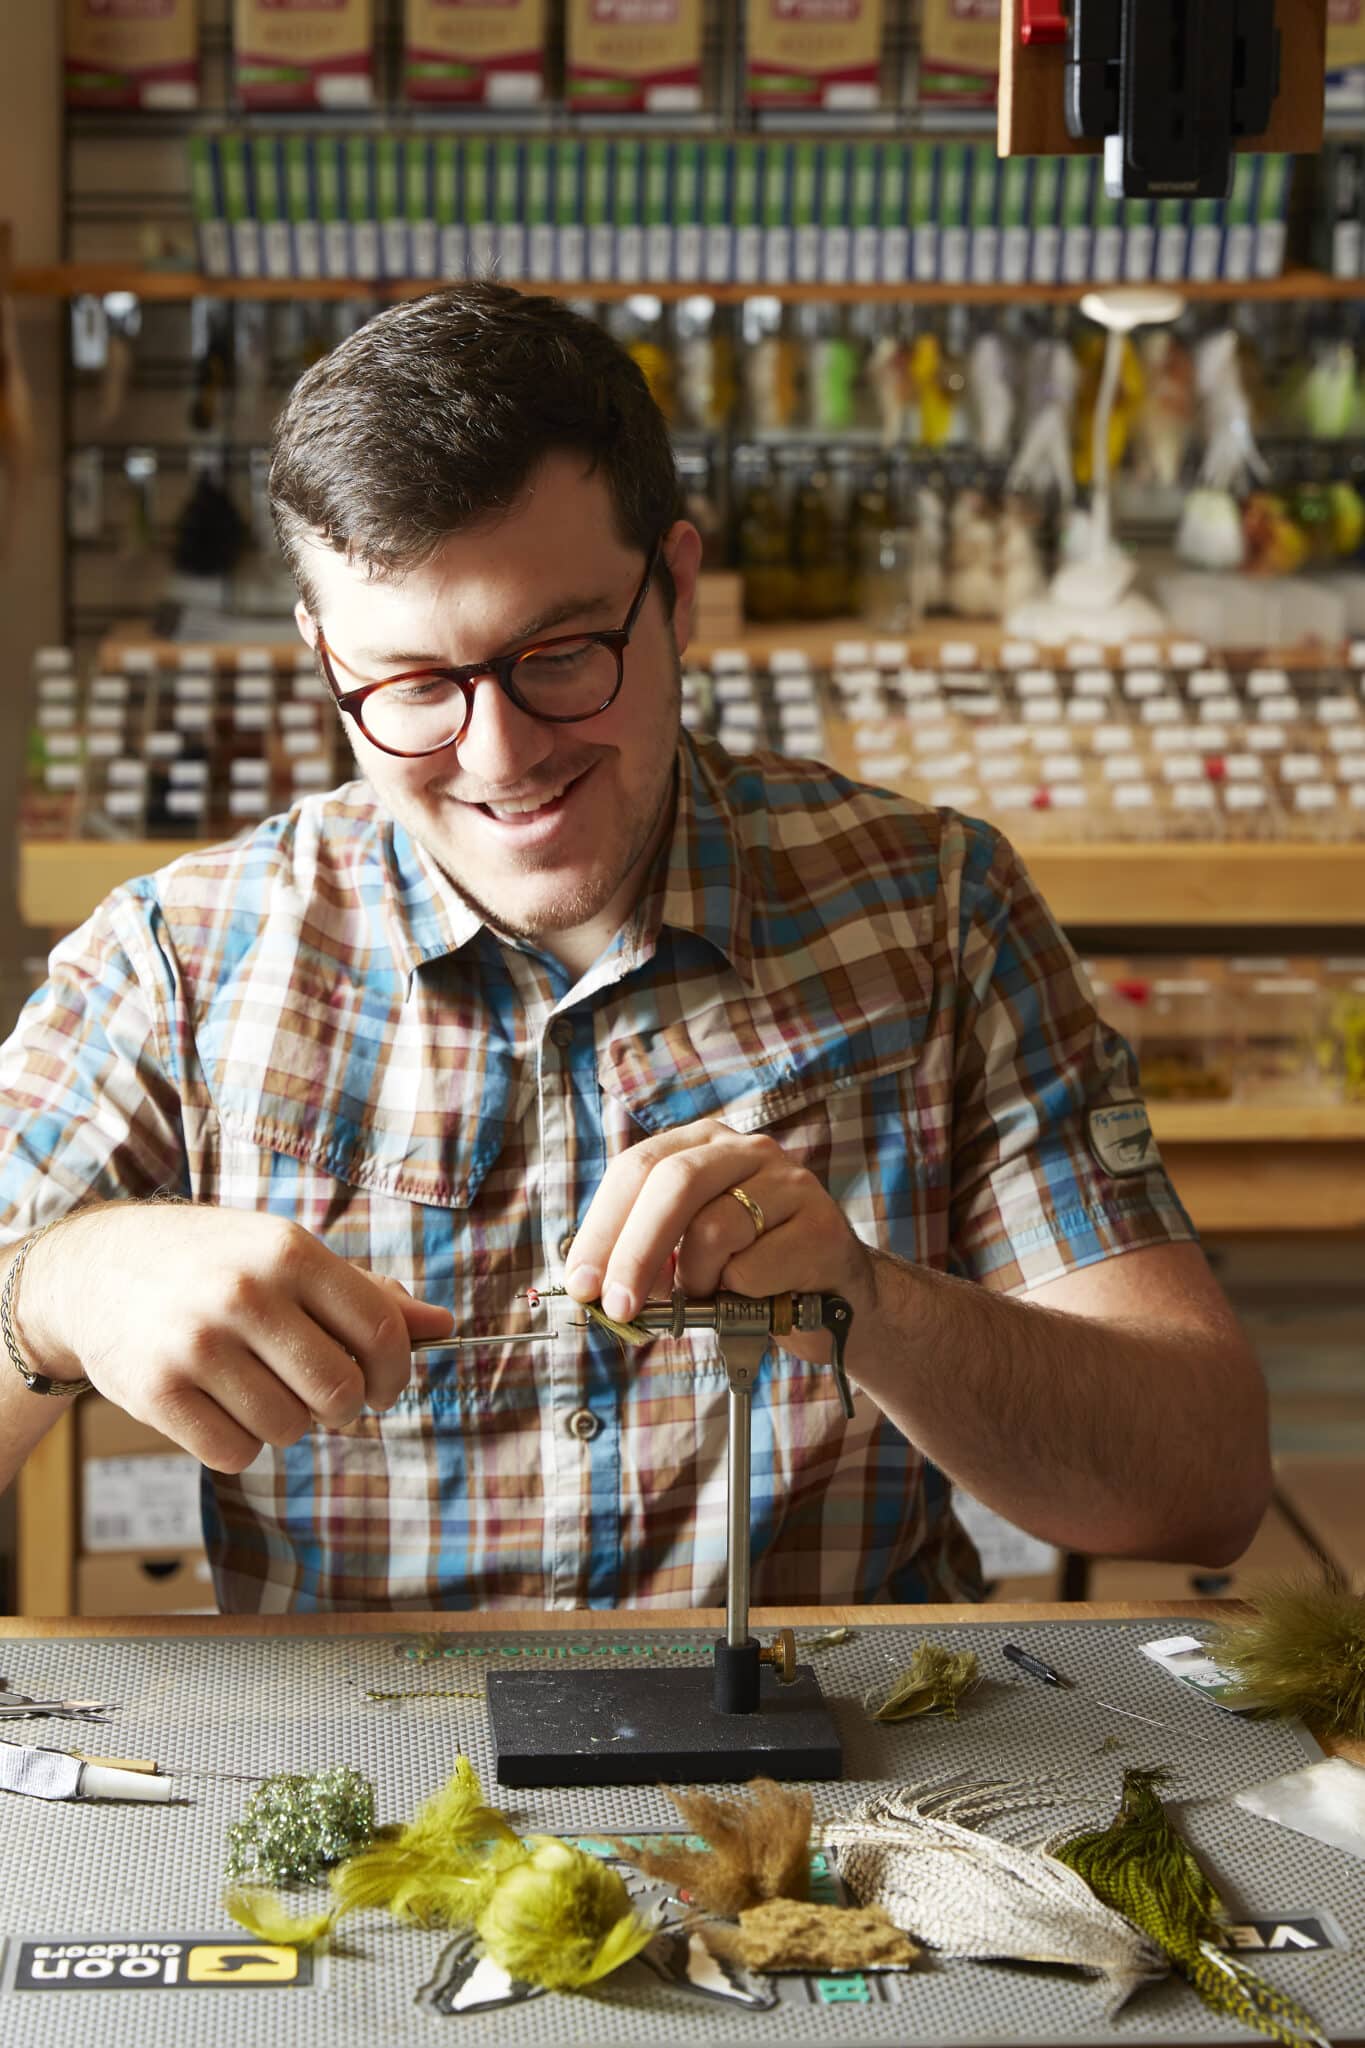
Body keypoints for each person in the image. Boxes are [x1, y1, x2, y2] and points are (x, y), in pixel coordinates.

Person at [0, 285, 1270, 1613]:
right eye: (413, 686)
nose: (501, 759)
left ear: (674, 589)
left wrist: (869, 1304)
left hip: (842, 1778)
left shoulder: (932, 912)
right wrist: (57, 1291)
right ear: (325, 658)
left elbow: (1204, 1485)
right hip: (371, 1797)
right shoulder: (182, 961)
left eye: (558, 654)